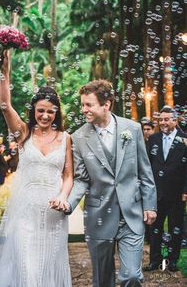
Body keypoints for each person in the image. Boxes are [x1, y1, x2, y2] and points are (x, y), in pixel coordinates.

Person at [0, 50, 73, 287]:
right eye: (41, 110)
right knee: (28, 268)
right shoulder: (24, 134)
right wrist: (5, 72)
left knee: (49, 266)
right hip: (25, 213)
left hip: (54, 213)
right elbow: (5, 105)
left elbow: (68, 174)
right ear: (33, 111)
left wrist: (63, 196)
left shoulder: (65, 138)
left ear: (56, 113)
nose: (45, 115)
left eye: (51, 111)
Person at [58, 80, 157, 287]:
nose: (84, 109)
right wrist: (68, 203)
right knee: (102, 281)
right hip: (99, 216)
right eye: (82, 104)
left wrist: (149, 205)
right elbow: (81, 179)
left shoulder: (133, 129)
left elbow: (145, 171)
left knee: (131, 276)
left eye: (89, 105)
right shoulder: (78, 137)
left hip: (131, 214)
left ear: (106, 104)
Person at [145, 106, 187, 272]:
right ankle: (154, 261)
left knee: (175, 228)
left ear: (175, 121)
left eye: (166, 119)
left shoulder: (185, 140)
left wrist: (185, 190)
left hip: (177, 193)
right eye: (160, 119)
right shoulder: (153, 139)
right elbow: (147, 165)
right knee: (154, 228)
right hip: (156, 192)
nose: (162, 122)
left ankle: (172, 260)